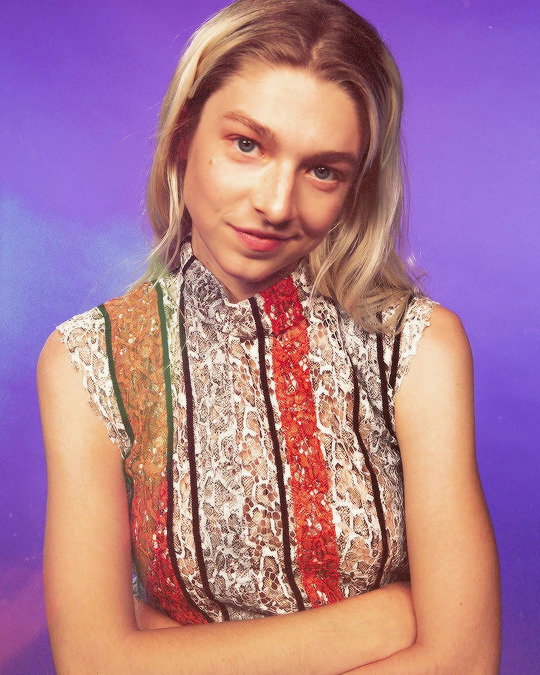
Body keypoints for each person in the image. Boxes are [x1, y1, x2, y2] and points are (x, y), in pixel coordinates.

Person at [37, 0, 501, 672]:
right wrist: (391, 617)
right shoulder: (91, 360)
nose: (277, 205)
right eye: (247, 145)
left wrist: (159, 652)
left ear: (356, 187)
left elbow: (465, 661)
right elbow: (92, 664)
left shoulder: (418, 346)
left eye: (323, 170)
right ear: (183, 134)